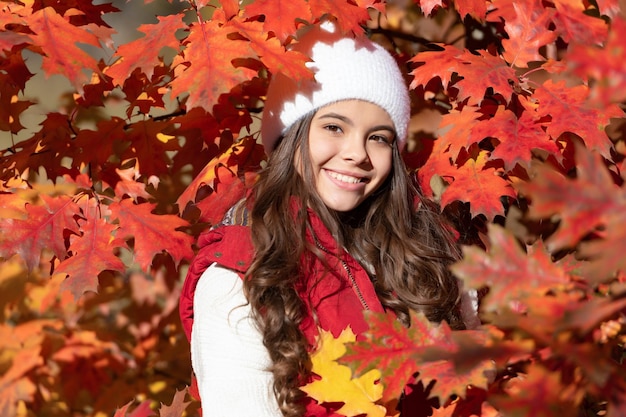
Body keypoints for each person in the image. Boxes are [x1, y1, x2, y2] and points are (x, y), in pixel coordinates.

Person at [179, 21, 479, 417]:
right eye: (334, 127)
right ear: (291, 137)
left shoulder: (425, 255)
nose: (358, 153)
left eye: (379, 137)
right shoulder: (239, 276)